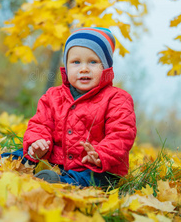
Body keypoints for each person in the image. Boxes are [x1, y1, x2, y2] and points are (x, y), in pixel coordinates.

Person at [23, 27, 137, 188]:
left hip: (96, 167)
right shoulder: (53, 96)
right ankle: (6, 163)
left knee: (93, 179)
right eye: (76, 62)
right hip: (57, 160)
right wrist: (38, 142)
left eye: (93, 62)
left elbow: (122, 134)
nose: (84, 68)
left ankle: (61, 183)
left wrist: (101, 154)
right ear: (67, 66)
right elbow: (40, 124)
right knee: (21, 155)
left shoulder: (117, 98)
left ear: (105, 67)